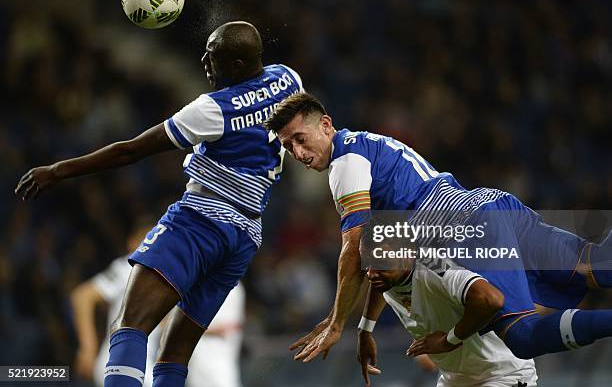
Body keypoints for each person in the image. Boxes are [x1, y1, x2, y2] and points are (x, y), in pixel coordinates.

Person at [16, 21, 304, 387]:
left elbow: (131, 150)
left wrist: (59, 170)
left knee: (129, 324)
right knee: (173, 354)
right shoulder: (288, 80)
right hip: (245, 235)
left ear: (234, 66)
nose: (203, 61)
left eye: (212, 56)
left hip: (203, 219)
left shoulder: (213, 109)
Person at [263, 92, 612, 366]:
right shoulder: (366, 147)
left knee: (522, 336)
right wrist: (365, 327)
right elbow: (381, 256)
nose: (297, 151)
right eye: (288, 146)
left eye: (300, 138)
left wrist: (336, 322)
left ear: (325, 125)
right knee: (597, 266)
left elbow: (353, 248)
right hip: (489, 204)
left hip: (468, 229)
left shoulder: (345, 166)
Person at [71, 223, 246, 387]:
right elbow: (82, 296)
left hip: (139, 367)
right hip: (122, 363)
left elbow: (164, 321)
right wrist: (87, 346)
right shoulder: (134, 266)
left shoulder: (168, 272)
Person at [357, 243, 537, 386]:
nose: (372, 274)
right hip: (454, 378)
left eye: (381, 264)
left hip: (503, 373)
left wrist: (447, 341)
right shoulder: (387, 276)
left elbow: (490, 299)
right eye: (367, 265)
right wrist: (365, 331)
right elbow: (378, 285)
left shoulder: (434, 265)